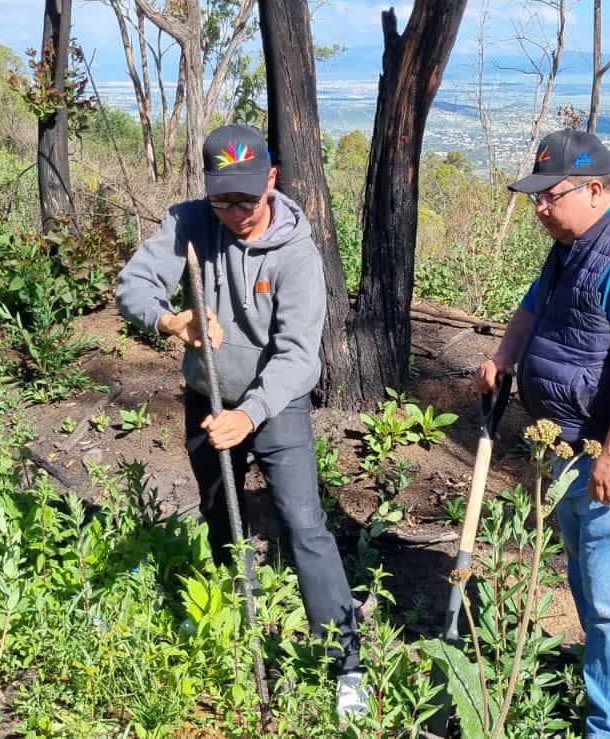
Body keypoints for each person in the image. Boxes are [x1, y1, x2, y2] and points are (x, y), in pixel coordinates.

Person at [116, 124, 368, 717]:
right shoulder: (188, 223)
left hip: (274, 404)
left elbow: (298, 357)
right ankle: (233, 616)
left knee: (302, 522)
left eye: (247, 200)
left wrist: (249, 415)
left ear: (271, 181)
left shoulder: (296, 252)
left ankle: (345, 663)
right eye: (223, 200)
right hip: (207, 398)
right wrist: (170, 321)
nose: (235, 213)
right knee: (216, 511)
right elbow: (133, 285)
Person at [473, 129, 610, 738]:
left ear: (596, 189)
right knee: (587, 579)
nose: (539, 208)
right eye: (535, 196)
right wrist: (504, 357)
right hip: (571, 445)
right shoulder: (572, 242)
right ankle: (603, 692)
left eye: (551, 195)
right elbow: (534, 307)